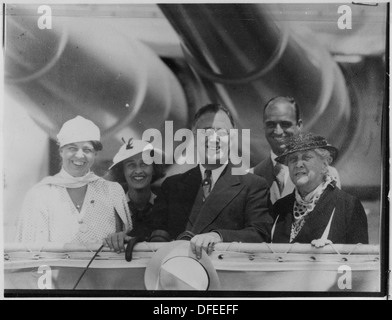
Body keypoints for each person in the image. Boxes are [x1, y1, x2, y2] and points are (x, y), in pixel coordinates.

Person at [150, 103, 273, 259]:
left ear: (232, 137)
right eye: (206, 131)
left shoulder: (253, 185)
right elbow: (155, 232)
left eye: (221, 132)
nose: (213, 138)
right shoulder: (172, 186)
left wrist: (218, 236)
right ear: (194, 136)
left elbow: (260, 234)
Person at [16, 116, 132, 243]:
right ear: (61, 151)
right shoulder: (39, 195)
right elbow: (31, 254)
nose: (79, 155)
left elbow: (123, 244)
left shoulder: (112, 191)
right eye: (72, 148)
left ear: (95, 154)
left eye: (87, 149)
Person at [271, 132, 368, 245]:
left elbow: (359, 259)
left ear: (324, 165)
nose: (298, 164)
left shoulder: (348, 206)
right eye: (293, 159)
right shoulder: (280, 207)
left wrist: (331, 256)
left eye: (306, 158)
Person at [250, 96, 341, 204]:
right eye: (271, 124)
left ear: (299, 125)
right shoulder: (251, 177)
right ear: (264, 127)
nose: (278, 131)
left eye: (285, 124)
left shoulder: (327, 174)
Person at [103, 138, 166, 252]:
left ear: (154, 168)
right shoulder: (111, 206)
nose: (138, 171)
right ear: (122, 171)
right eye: (131, 165)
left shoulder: (166, 203)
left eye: (145, 164)